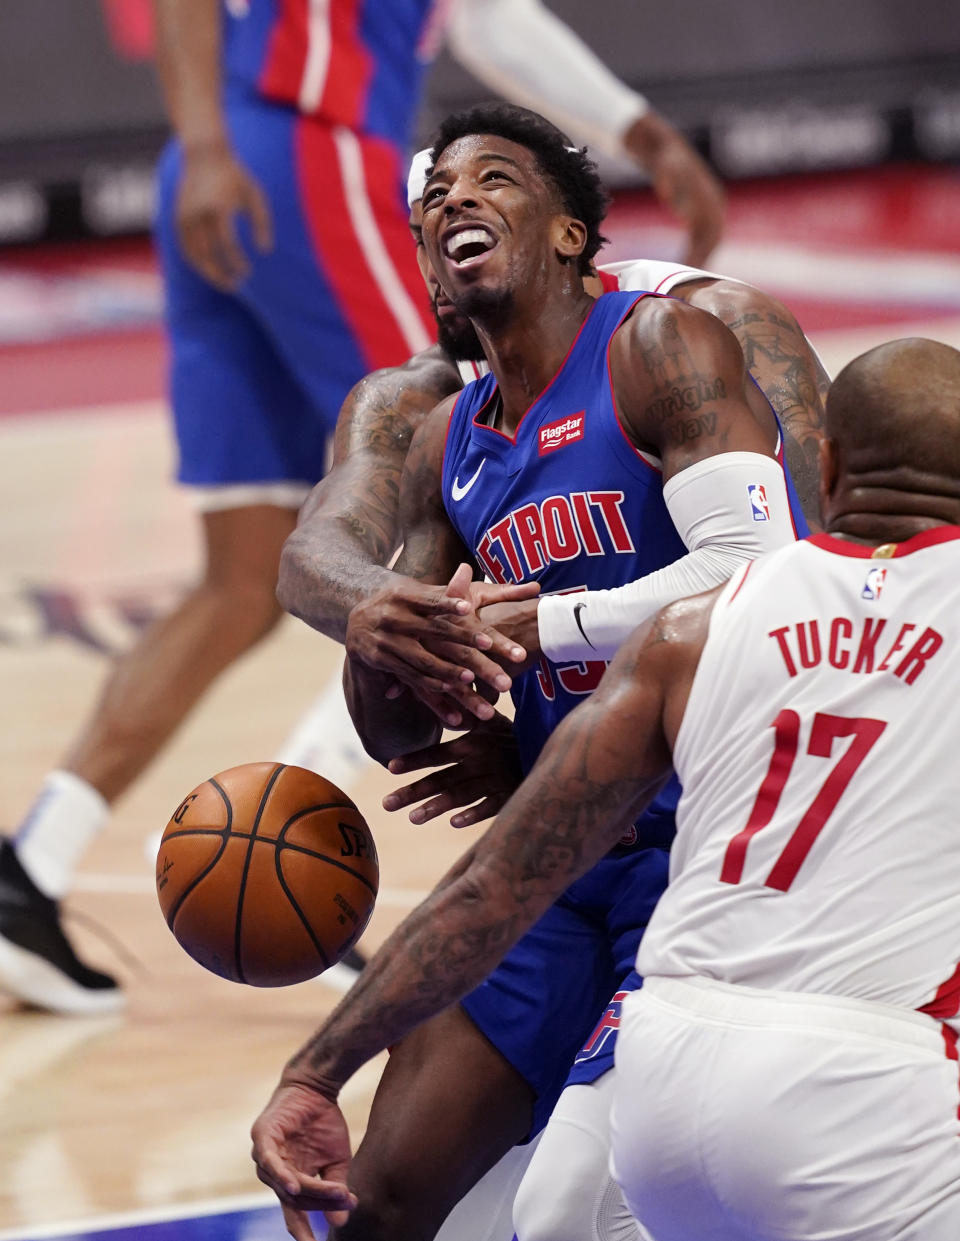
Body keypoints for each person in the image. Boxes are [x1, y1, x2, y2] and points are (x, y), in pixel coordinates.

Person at [0, 0, 726, 1015]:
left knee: (241, 582)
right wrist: (212, 143)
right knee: (461, 427)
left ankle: (31, 869)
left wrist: (638, 132)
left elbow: (487, 18)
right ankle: (295, 841)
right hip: (302, 154)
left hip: (227, 161)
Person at [251, 335, 960, 1241]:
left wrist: (315, 1071)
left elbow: (496, 881)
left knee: (557, 1216)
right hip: (869, 1089)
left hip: (668, 1067)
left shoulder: (694, 627)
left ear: (822, 463)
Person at [303, 102, 808, 1241]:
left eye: (493, 180)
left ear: (573, 234)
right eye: (435, 197)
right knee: (372, 1206)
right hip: (558, 851)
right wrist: (399, 646)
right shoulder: (445, 441)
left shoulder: (657, 344)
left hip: (708, 844)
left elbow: (766, 573)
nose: (453, 201)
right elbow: (390, 731)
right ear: (432, 273)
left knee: (569, 1206)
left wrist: (539, 627)